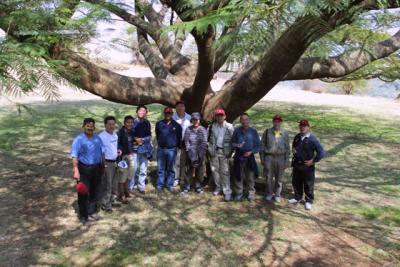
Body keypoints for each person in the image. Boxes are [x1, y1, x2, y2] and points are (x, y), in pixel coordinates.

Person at [71, 118, 105, 226]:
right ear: (84, 126)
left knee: (95, 191)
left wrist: (103, 166)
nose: (90, 128)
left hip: (96, 168)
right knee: (83, 192)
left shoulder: (98, 139)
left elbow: (102, 152)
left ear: (94, 127)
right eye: (87, 126)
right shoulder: (79, 139)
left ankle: (93, 211)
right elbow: (74, 155)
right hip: (83, 168)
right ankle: (83, 216)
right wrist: (76, 170)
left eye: (92, 126)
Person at [288, 119, 324, 210]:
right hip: (297, 164)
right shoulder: (297, 137)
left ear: (308, 127)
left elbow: (321, 152)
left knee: (308, 184)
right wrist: (293, 150)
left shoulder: (313, 139)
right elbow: (294, 145)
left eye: (304, 126)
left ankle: (308, 201)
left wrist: (313, 161)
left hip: (307, 166)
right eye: (301, 126)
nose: (302, 128)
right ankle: (297, 197)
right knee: (296, 182)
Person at [260, 115, 290, 203]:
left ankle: (277, 194)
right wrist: (262, 158)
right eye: (275, 121)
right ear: (272, 122)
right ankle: (269, 193)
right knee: (268, 177)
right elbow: (262, 145)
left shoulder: (284, 133)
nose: (277, 123)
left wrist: (287, 160)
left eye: (278, 121)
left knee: (279, 178)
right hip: (269, 157)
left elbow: (287, 148)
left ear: (281, 122)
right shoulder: (267, 132)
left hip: (281, 158)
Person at [231, 113, 261, 202]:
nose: (244, 121)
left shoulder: (253, 131)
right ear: (240, 121)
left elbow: (258, 146)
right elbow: (232, 143)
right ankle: (239, 193)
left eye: (246, 119)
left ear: (249, 120)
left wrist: (251, 152)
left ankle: (250, 194)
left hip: (249, 157)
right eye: (243, 120)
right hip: (239, 156)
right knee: (238, 175)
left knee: (250, 176)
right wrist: (237, 145)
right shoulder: (237, 131)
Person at [208, 108, 234, 202]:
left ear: (225, 116)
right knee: (215, 171)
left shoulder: (230, 127)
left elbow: (233, 140)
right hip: (214, 152)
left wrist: (231, 152)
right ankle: (218, 187)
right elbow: (207, 138)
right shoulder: (212, 126)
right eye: (218, 116)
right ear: (216, 117)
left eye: (221, 115)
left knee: (225, 172)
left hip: (224, 152)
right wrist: (209, 148)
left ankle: (227, 191)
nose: (220, 117)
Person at [155, 107, 182, 192]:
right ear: (164, 114)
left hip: (172, 150)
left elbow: (179, 138)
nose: (168, 115)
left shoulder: (177, 126)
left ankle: (170, 185)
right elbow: (157, 135)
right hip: (161, 149)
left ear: (172, 114)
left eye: (169, 113)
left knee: (171, 169)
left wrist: (175, 147)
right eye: (166, 113)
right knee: (160, 168)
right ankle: (160, 185)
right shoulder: (159, 124)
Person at [181, 112, 208, 195]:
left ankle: (198, 186)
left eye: (196, 119)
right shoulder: (188, 129)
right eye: (193, 119)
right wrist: (190, 153)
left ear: (199, 120)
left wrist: (200, 154)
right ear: (191, 120)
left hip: (200, 152)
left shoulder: (203, 129)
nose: (195, 121)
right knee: (188, 170)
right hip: (190, 152)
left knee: (200, 171)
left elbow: (204, 142)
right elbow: (186, 142)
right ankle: (187, 187)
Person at [98, 116, 120, 212]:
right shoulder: (101, 136)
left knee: (114, 183)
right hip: (107, 163)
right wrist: (104, 165)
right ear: (105, 125)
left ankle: (113, 200)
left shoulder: (115, 135)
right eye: (109, 124)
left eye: (113, 124)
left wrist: (118, 151)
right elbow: (100, 152)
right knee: (107, 184)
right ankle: (105, 204)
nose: (111, 126)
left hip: (115, 162)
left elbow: (114, 148)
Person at [130, 105, 152, 194]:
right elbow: (129, 135)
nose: (142, 112)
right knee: (133, 169)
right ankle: (130, 187)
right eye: (140, 110)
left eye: (144, 111)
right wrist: (135, 139)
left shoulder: (147, 123)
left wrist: (142, 140)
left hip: (145, 149)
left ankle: (141, 186)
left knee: (143, 169)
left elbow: (149, 136)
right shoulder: (132, 123)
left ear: (146, 113)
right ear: (137, 112)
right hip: (134, 149)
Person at [172, 101, 191, 187]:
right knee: (176, 162)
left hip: (186, 143)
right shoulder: (173, 118)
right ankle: (175, 179)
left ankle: (182, 179)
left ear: (185, 108)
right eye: (178, 106)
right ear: (175, 108)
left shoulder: (189, 117)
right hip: (175, 143)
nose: (180, 108)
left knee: (184, 163)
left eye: (182, 106)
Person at [116, 115, 135, 204]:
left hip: (130, 156)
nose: (130, 124)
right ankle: (121, 195)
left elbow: (131, 142)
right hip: (122, 157)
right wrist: (120, 150)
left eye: (131, 122)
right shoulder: (120, 133)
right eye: (128, 122)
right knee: (122, 177)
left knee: (128, 176)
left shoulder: (132, 131)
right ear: (124, 123)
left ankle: (127, 192)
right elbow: (118, 144)